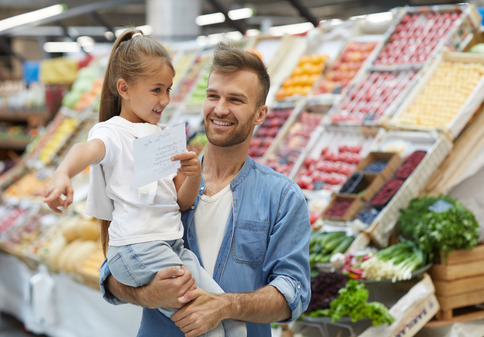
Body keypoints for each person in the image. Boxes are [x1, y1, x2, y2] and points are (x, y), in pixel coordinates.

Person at [100, 42, 312, 337]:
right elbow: (112, 271)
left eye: (236, 100)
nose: (220, 109)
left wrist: (225, 306)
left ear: (260, 114)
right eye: (213, 96)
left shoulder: (282, 197)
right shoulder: (163, 175)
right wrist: (149, 295)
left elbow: (294, 291)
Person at [43, 29, 246, 337]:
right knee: (210, 329)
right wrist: (62, 175)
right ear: (124, 88)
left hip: (172, 247)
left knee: (232, 321)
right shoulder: (112, 133)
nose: (165, 99)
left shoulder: (163, 137)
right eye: (156, 90)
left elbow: (182, 202)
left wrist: (193, 175)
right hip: (138, 248)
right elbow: (85, 151)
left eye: (168, 89)